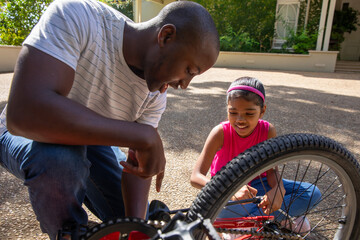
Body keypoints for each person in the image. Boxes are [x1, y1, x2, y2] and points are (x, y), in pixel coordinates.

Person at [0, 0, 219, 239]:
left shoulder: (155, 91)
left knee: (129, 219)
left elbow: (137, 166)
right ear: (166, 36)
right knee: (60, 161)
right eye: (189, 70)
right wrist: (142, 135)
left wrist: (136, 229)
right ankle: (68, 234)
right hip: (22, 134)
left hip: (91, 141)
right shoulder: (79, 16)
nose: (184, 85)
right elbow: (24, 113)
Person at [190, 77, 321, 235]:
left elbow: (272, 170)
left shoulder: (268, 131)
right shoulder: (220, 132)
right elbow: (196, 177)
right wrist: (231, 192)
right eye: (233, 112)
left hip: (261, 184)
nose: (240, 119)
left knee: (313, 193)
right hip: (228, 192)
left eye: (249, 113)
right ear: (227, 109)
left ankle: (249, 225)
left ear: (262, 111)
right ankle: (278, 218)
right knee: (217, 214)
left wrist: (278, 190)